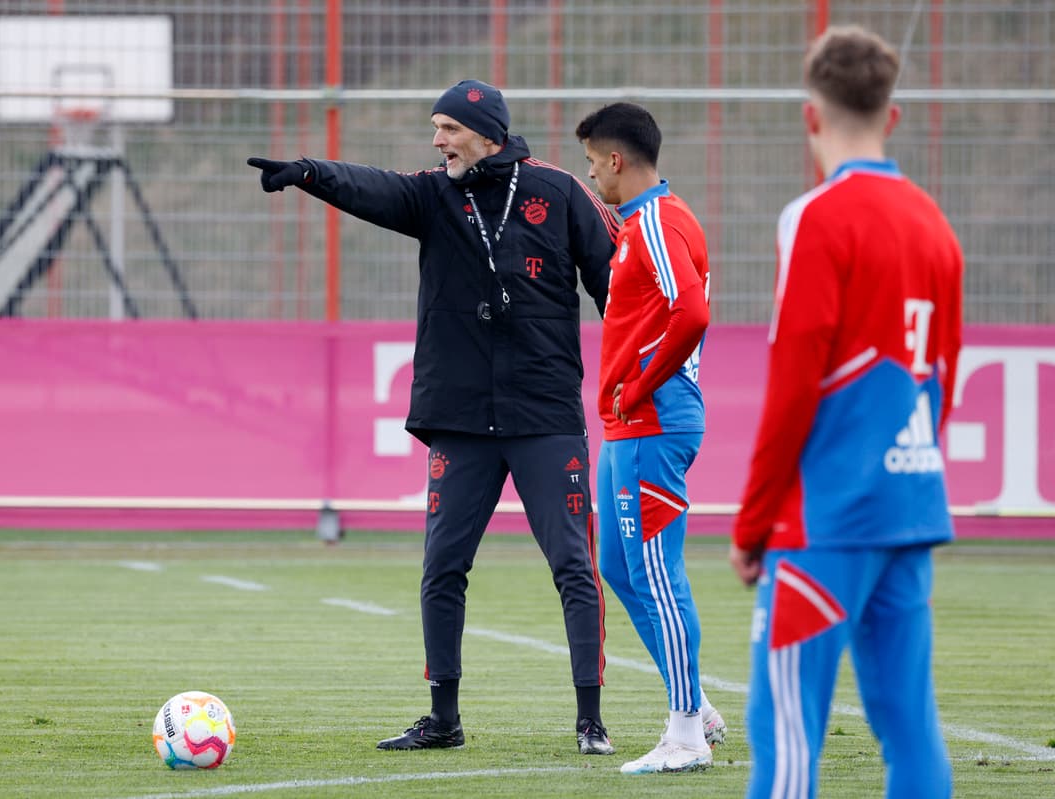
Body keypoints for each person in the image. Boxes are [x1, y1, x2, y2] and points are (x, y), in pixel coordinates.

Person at [248, 79, 620, 754]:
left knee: (572, 562)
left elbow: (616, 288)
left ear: (487, 133)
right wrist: (309, 173)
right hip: (460, 418)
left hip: (545, 415)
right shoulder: (433, 194)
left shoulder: (560, 191)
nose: (437, 140)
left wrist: (639, 370)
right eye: (436, 128)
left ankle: (590, 719)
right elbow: (374, 187)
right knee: (443, 566)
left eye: (448, 128)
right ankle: (443, 718)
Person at [730, 25, 962, 799]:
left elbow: (793, 383)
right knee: (911, 731)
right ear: (891, 116)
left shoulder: (816, 217)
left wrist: (753, 521)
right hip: (909, 509)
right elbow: (943, 381)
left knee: (788, 736)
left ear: (810, 116)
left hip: (826, 522)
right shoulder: (936, 224)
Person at [575, 102, 726, 775]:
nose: (591, 175)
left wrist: (638, 386)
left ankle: (686, 732)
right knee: (618, 567)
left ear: (615, 159)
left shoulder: (660, 222)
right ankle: (695, 703)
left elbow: (691, 311)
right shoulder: (641, 222)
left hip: (652, 419)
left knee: (659, 573)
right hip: (630, 422)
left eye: (591, 161)